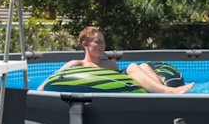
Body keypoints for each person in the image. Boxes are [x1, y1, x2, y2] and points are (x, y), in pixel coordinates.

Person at [37, 27, 194, 93]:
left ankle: (163, 93)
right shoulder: (76, 65)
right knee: (132, 66)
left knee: (145, 66)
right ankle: (168, 92)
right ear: (85, 44)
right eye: (98, 42)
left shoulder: (110, 64)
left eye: (103, 42)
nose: (103, 45)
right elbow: (49, 82)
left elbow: (123, 84)